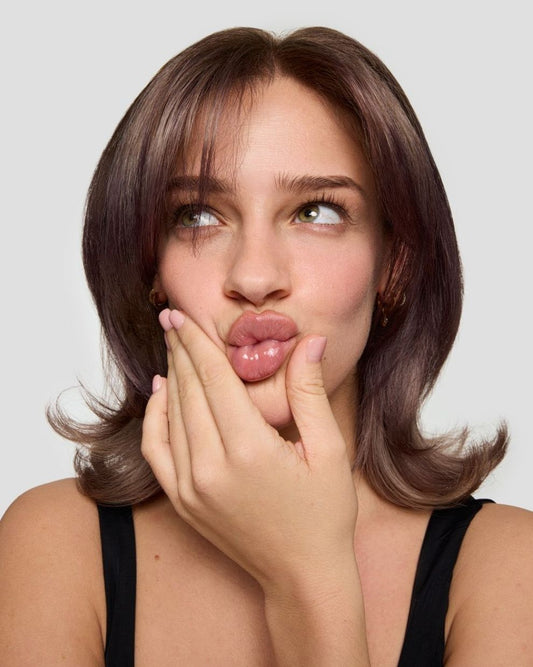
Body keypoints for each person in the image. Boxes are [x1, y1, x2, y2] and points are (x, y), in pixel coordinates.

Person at [0, 26, 532, 666]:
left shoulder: (509, 568)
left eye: (316, 211)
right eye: (198, 215)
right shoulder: (55, 543)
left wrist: (307, 574)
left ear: (393, 265)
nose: (254, 278)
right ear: (151, 270)